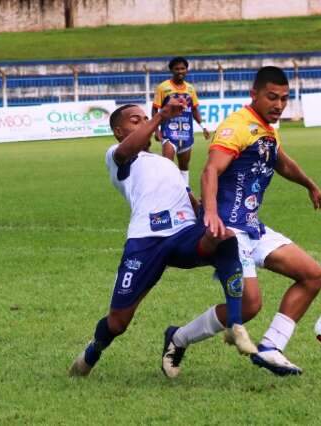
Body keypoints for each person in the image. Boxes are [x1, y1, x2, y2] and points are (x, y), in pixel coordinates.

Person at [69, 101, 257, 379]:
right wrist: (160, 116)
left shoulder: (163, 163)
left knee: (224, 237)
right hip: (146, 242)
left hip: (183, 236)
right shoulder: (118, 156)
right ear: (119, 131)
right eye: (136, 120)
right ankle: (93, 351)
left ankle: (236, 325)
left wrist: (208, 213)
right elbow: (127, 149)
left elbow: (189, 198)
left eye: (145, 117)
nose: (144, 121)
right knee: (118, 322)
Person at [164, 66, 321, 377]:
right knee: (250, 305)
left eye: (284, 99)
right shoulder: (236, 126)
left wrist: (309, 184)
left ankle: (272, 347)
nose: (278, 105)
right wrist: (209, 213)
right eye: (272, 97)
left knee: (312, 275)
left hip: (252, 226)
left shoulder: (268, 128)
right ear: (255, 94)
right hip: (227, 229)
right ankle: (177, 337)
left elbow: (281, 161)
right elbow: (210, 171)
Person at [151, 56, 211, 187]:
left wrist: (204, 127)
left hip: (186, 134)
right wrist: (156, 130)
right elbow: (155, 110)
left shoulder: (190, 89)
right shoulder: (163, 88)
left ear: (186, 70)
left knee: (184, 167)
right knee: (167, 165)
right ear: (171, 70)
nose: (180, 71)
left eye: (183, 68)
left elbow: (194, 110)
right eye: (177, 69)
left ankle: (185, 194)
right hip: (169, 133)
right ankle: (167, 193)